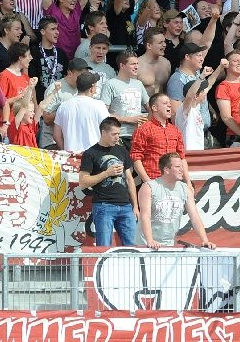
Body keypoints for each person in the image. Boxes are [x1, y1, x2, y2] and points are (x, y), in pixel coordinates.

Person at [78, 117, 139, 247]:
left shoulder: (122, 150)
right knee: (104, 247)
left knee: (132, 246)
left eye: (119, 134)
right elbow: (83, 182)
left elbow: (129, 179)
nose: (117, 137)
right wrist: (107, 173)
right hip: (104, 205)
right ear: (103, 132)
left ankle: (131, 268)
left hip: (126, 206)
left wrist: (135, 206)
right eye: (114, 134)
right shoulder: (90, 153)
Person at [138, 151, 214, 248]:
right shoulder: (149, 187)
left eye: (182, 167)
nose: (182, 170)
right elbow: (145, 216)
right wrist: (150, 241)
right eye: (178, 167)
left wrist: (205, 241)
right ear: (166, 170)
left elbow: (194, 217)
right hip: (145, 244)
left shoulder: (185, 188)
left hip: (169, 244)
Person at [53, 71, 108, 152]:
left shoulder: (63, 106)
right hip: (94, 157)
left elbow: (56, 135)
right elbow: (108, 131)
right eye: (96, 86)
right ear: (92, 87)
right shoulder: (99, 105)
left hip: (71, 158)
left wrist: (66, 152)